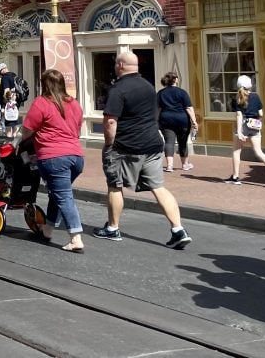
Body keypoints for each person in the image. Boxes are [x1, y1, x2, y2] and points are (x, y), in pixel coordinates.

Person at [93, 52, 192, 249]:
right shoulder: (148, 87)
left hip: (126, 146)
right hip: (153, 144)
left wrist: (109, 144)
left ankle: (113, 228)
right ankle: (178, 229)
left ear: (120, 65)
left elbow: (111, 121)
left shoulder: (118, 89)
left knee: (115, 185)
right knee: (158, 186)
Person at [22, 69, 85, 252]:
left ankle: (75, 237)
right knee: (57, 192)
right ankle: (48, 228)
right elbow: (78, 129)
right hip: (76, 156)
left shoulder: (41, 103)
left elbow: (28, 129)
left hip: (54, 156)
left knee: (63, 195)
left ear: (44, 84)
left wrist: (22, 141)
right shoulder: (74, 103)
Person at [226, 75, 265, 184]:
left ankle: (235, 177)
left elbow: (239, 116)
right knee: (259, 152)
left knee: (236, 151)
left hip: (244, 124)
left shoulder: (238, 98)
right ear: (250, 85)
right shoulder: (256, 96)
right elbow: (261, 113)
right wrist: (258, 122)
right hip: (255, 125)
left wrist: (240, 132)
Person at [158, 72, 197, 172]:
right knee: (182, 142)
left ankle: (169, 166)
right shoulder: (182, 92)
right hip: (182, 120)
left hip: (166, 120)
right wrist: (194, 121)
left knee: (168, 142)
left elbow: (157, 108)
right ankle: (185, 164)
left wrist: (156, 120)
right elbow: (188, 108)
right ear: (175, 80)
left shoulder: (161, 93)